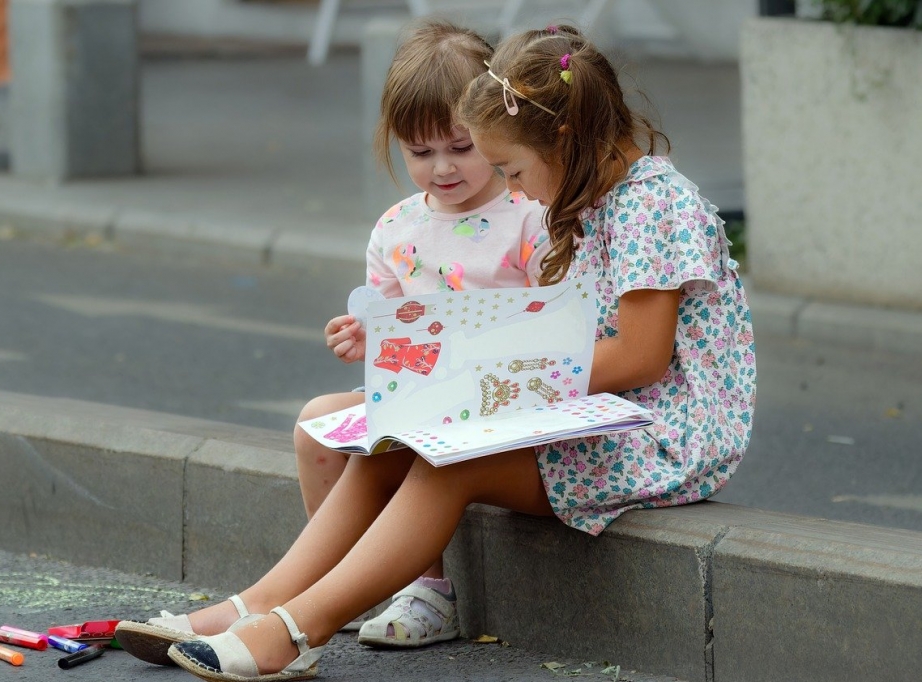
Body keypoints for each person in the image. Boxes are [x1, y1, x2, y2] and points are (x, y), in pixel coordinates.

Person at [141, 24, 757, 682]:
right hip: (604, 410)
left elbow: (641, 360)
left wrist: (487, 379)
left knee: (448, 462)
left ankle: (295, 632)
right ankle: (260, 604)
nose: (517, 187)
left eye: (513, 169)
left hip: (666, 433)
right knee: (393, 434)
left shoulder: (652, 208)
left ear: (565, 141)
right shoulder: (603, 195)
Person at [114, 18, 549, 667]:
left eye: (460, 147)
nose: (440, 167)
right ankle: (357, 588)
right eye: (419, 151)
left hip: (500, 403)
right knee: (318, 424)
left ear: (494, 125)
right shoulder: (398, 227)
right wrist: (367, 334)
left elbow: (551, 327)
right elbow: (392, 323)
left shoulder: (527, 215)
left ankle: (416, 597)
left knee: (398, 435)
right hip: (423, 397)